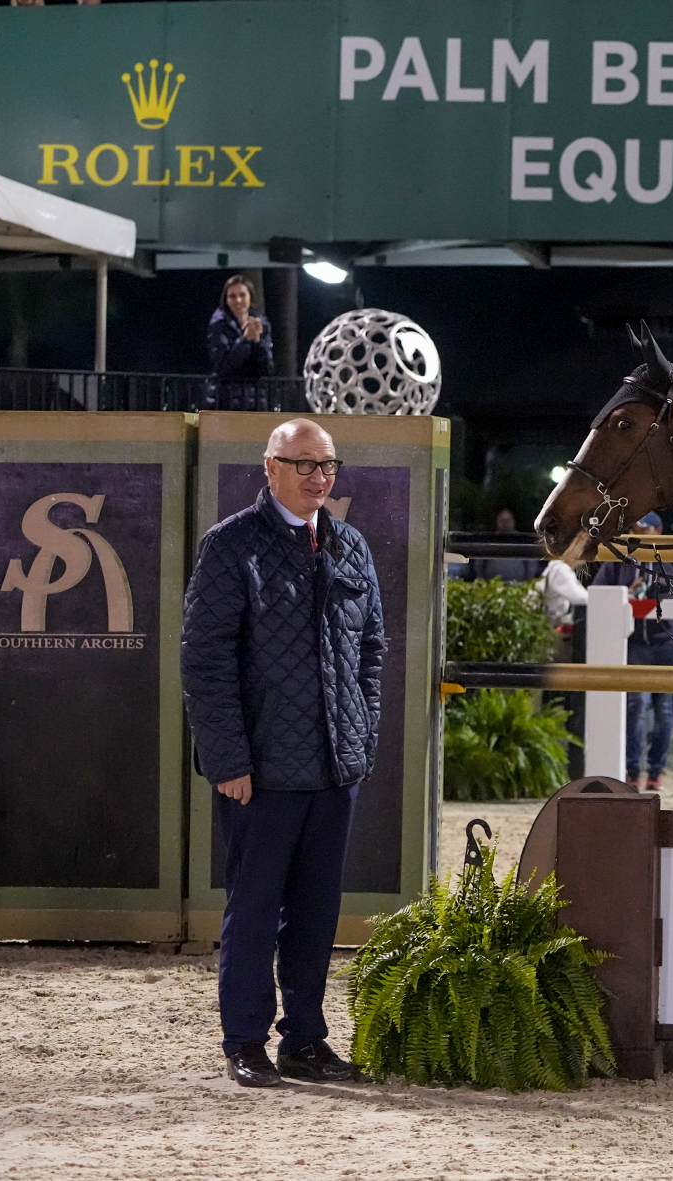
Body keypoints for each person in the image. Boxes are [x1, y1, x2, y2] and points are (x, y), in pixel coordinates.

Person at [181, 417, 384, 1089]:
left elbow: (371, 655)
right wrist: (227, 760)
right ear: (270, 468)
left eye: (327, 464)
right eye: (303, 464)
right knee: (254, 909)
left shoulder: (351, 546)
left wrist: (362, 732)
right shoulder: (231, 546)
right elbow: (204, 663)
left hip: (334, 771)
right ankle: (244, 1040)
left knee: (318, 913)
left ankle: (306, 1040)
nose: (318, 476)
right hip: (261, 772)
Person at [590, 514, 673, 790]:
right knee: (636, 707)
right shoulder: (622, 557)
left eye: (646, 528)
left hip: (667, 644)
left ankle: (656, 771)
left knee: (664, 710)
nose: (640, 532)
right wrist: (625, 593)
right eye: (636, 527)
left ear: (660, 529)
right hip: (634, 643)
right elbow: (597, 594)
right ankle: (633, 770)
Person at [206, 274, 274, 411]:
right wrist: (245, 340)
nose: (238, 300)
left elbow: (266, 367)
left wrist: (257, 342)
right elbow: (223, 366)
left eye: (242, 295)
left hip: (255, 401)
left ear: (250, 297)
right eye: (232, 296)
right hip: (225, 400)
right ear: (226, 299)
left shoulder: (261, 324)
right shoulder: (218, 325)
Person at [467, 507, 544, 582]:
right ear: (497, 521)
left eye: (508, 520)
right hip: (491, 589)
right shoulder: (489, 540)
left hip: (519, 587)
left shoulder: (522, 540)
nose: (505, 523)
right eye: (502, 520)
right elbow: (478, 566)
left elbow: (531, 566)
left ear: (513, 521)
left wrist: (528, 584)